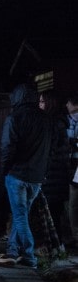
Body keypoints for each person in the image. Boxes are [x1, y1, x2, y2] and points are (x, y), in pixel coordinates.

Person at [0, 83, 52, 269]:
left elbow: (7, 147)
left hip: (17, 174)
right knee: (22, 214)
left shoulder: (14, 118)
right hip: (37, 176)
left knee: (19, 216)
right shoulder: (46, 119)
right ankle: (13, 251)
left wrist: (4, 170)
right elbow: (51, 149)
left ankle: (29, 254)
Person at [32, 90, 69, 260]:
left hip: (52, 176)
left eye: (42, 102)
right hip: (58, 176)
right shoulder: (60, 123)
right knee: (54, 213)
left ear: (49, 103)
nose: (39, 105)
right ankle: (56, 247)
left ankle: (52, 248)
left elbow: (51, 152)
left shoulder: (52, 124)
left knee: (50, 213)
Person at [66, 93, 78, 248]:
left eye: (68, 103)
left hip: (73, 164)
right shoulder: (68, 121)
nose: (66, 105)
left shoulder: (70, 121)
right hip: (73, 165)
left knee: (73, 204)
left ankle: (75, 236)